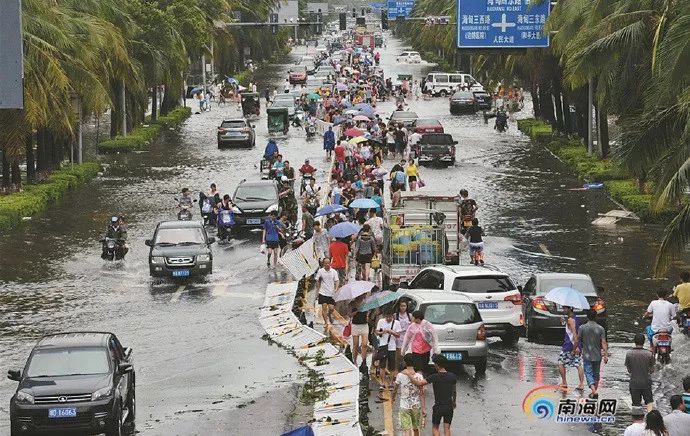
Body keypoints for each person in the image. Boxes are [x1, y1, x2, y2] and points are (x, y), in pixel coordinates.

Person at [415, 355, 457, 436]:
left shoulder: (434, 377)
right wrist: (454, 402)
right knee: (447, 428)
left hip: (438, 407)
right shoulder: (452, 376)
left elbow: (420, 383)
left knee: (435, 428)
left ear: (437, 365)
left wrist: (409, 375)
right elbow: (454, 391)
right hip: (449, 406)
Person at [577, 309, 609, 399]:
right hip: (597, 355)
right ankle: (594, 391)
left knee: (588, 373)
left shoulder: (582, 328)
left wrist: (575, 348)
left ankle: (593, 391)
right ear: (596, 317)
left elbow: (578, 339)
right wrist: (605, 355)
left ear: (587, 317)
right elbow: (603, 342)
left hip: (587, 355)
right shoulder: (600, 328)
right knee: (596, 373)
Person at [392, 354, 426, 436]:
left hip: (404, 406)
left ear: (405, 362)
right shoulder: (419, 376)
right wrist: (423, 408)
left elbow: (395, 389)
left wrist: (393, 398)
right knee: (416, 428)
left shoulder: (400, 375)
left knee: (406, 429)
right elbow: (422, 394)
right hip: (416, 406)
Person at [625, 333, 655, 411]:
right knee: (649, 402)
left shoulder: (629, 354)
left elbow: (629, 370)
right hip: (646, 383)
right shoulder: (649, 354)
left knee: (636, 405)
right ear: (644, 341)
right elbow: (652, 370)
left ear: (635, 342)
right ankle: (649, 419)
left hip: (634, 383)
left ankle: (637, 421)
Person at [558, 305, 585, 392]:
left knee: (561, 362)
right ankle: (581, 384)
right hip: (576, 345)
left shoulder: (571, 320)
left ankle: (564, 382)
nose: (563, 310)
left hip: (569, 345)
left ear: (570, 309)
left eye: (565, 308)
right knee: (578, 364)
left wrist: (575, 347)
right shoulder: (576, 318)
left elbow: (574, 333)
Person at [375, 309, 402, 392]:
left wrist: (391, 332)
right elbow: (376, 332)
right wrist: (383, 332)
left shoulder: (396, 323)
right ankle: (382, 383)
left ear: (392, 316)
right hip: (383, 346)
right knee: (382, 365)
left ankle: (391, 383)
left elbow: (398, 335)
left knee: (392, 366)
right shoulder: (381, 321)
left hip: (392, 347)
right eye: (386, 317)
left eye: (390, 317)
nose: (388, 319)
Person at [315, 258, 339, 327]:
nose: (327, 264)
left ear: (330, 263)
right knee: (324, 306)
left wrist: (336, 288)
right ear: (323, 264)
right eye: (326, 263)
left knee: (331, 308)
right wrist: (318, 289)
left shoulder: (333, 271)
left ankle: (329, 314)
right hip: (323, 292)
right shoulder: (320, 271)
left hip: (331, 293)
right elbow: (317, 280)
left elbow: (337, 280)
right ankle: (326, 322)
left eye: (328, 263)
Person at [350, 296, 370, 374]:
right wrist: (357, 310)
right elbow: (350, 315)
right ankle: (354, 361)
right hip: (355, 325)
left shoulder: (366, 302)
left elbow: (368, 312)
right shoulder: (352, 303)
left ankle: (363, 361)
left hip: (364, 325)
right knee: (355, 345)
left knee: (365, 344)